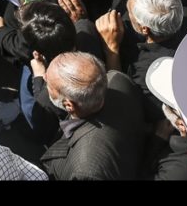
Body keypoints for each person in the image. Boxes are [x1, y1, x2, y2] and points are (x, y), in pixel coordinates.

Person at [41, 52, 146, 180]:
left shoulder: (86, 172)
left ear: (69, 105)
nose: (44, 77)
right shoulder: (118, 79)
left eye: (48, 83)